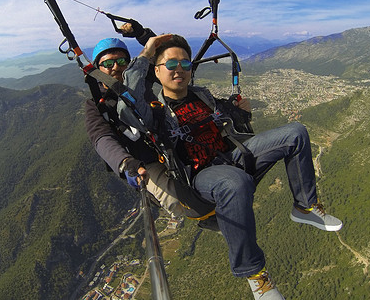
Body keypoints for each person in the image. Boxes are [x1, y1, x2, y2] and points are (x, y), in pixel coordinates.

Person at [117, 33, 343, 300]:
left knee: (296, 132)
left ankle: (305, 206)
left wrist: (241, 111)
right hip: (202, 177)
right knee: (236, 182)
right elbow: (127, 103)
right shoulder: (155, 110)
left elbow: (229, 118)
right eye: (170, 64)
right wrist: (146, 53)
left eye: (185, 64)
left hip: (232, 158)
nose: (179, 69)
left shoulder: (202, 95)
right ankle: (256, 276)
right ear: (157, 70)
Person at [84, 36, 186, 217]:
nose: (115, 67)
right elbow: (101, 138)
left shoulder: (139, 84)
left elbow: (164, 58)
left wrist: (139, 32)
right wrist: (125, 163)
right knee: (178, 201)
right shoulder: (96, 105)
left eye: (122, 61)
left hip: (171, 141)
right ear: (98, 70)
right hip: (145, 162)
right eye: (108, 64)